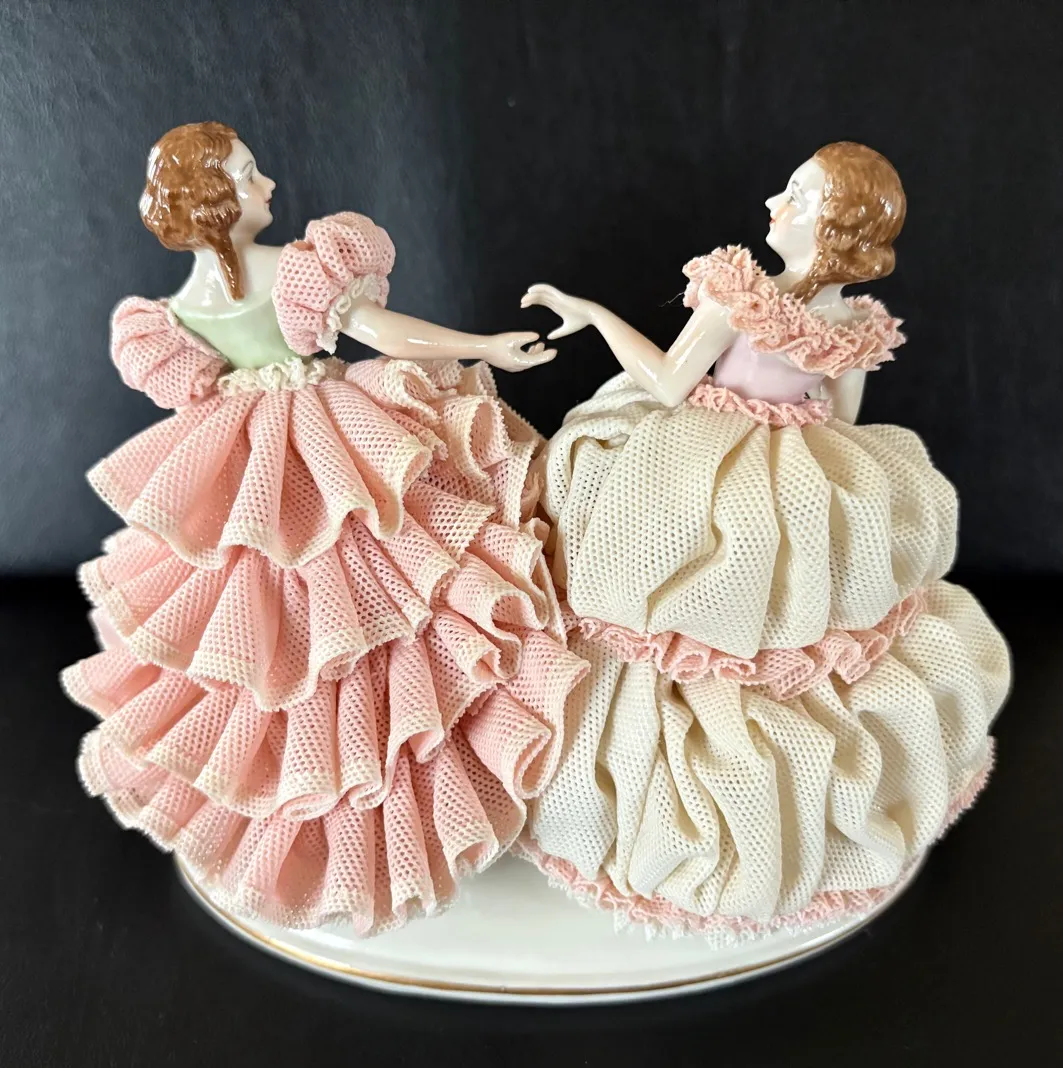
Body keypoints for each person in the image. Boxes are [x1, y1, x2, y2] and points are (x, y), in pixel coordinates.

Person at [63, 122, 586, 935]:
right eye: (248, 174)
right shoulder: (281, 274)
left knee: (286, 629)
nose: (267, 184)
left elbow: (224, 382)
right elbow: (384, 333)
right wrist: (484, 347)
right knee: (376, 599)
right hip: (325, 452)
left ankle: (341, 818)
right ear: (216, 199)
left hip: (249, 461)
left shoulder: (167, 317)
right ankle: (353, 826)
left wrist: (483, 346)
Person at [519, 143, 1010, 937]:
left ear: (831, 224)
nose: (774, 204)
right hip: (799, 477)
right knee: (787, 619)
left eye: (797, 195)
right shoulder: (851, 324)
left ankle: (695, 829)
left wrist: (597, 316)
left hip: (695, 464)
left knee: (676, 609)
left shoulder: (742, 296)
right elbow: (840, 420)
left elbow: (669, 384)